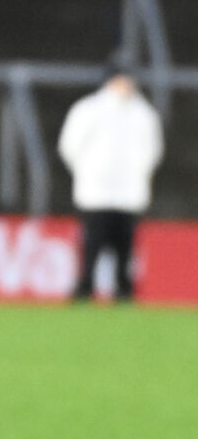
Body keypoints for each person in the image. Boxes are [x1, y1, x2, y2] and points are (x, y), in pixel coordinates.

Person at [57, 63, 164, 301]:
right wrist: (87, 172)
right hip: (96, 191)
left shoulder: (143, 114)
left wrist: (139, 174)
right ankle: (85, 286)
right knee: (93, 242)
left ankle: (123, 289)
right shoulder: (88, 110)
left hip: (129, 193)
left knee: (124, 245)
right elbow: (70, 145)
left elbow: (152, 150)